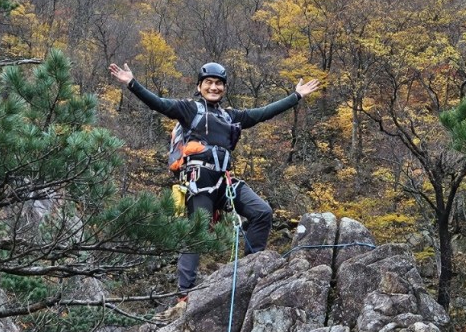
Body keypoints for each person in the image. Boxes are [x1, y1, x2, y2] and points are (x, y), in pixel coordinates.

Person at [109, 60, 320, 302]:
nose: (213, 87)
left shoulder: (231, 116)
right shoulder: (189, 110)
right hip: (198, 181)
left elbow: (262, 113)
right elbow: (159, 104)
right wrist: (132, 84)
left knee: (261, 212)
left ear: (224, 88)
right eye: (208, 83)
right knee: (197, 231)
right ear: (199, 87)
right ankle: (184, 293)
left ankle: (250, 270)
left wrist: (296, 96)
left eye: (218, 83)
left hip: (224, 181)